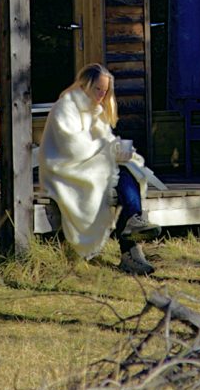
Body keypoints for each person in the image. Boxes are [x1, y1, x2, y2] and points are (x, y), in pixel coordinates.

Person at [38, 64, 166, 274]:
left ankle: (133, 230)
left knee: (128, 169)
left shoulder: (95, 111)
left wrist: (118, 151)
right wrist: (107, 151)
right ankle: (131, 245)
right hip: (64, 167)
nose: (101, 95)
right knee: (118, 174)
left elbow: (105, 140)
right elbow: (70, 145)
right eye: (98, 89)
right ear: (85, 84)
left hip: (88, 163)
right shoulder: (66, 106)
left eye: (105, 91)